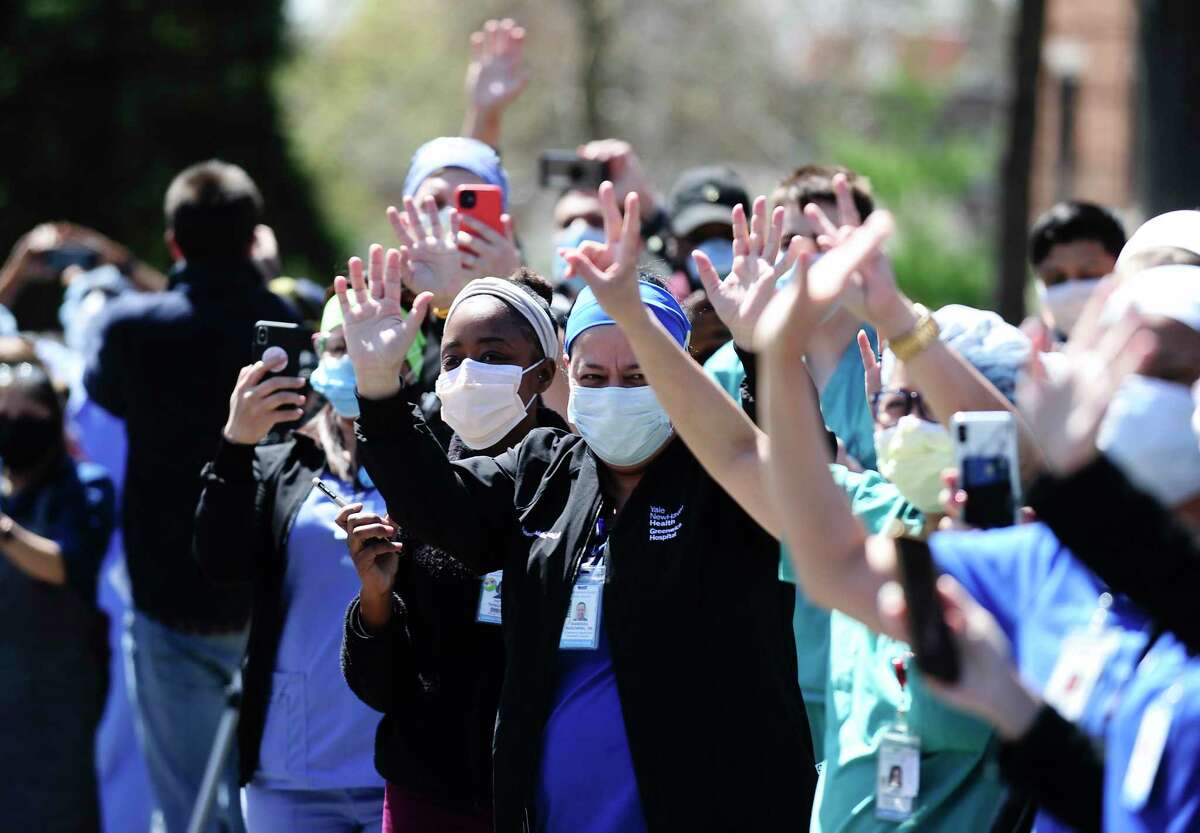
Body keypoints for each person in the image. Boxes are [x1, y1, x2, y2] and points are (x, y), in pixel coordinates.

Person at [337, 183, 816, 833]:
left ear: (678, 376)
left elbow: (799, 478)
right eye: (593, 378)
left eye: (639, 375)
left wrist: (764, 352)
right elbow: (442, 510)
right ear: (569, 376)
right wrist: (379, 391)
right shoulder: (546, 468)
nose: (613, 394)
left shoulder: (723, 477)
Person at [569, 190, 1023, 830]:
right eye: (899, 404)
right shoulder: (870, 518)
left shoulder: (1026, 558)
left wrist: (899, 321)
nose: (911, 424)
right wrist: (640, 326)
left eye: (933, 406)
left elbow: (1014, 457)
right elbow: (734, 453)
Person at [84, 159, 301, 833]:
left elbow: (102, 394)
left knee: (189, 810)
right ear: (251, 238)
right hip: (266, 597)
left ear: (174, 242)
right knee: (269, 802)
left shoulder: (130, 328)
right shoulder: (283, 321)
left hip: (166, 598)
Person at [339, 257, 567, 833]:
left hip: (543, 797)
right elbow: (383, 688)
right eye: (453, 358)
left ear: (542, 374)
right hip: (426, 798)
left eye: (493, 357)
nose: (469, 373)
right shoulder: (423, 483)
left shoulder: (576, 477)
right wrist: (375, 603)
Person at [193, 292, 408, 831]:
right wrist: (236, 445)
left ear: (407, 362)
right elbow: (218, 563)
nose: (355, 361)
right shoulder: (281, 461)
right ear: (319, 356)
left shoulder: (435, 459)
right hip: (295, 763)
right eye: (341, 347)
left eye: (370, 348)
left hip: (405, 767)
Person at [0, 360, 115, 833]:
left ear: (49, 417)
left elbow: (67, 566)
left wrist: (5, 532)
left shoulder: (87, 487)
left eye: (20, 413)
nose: (9, 424)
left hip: (59, 701)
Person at [704, 165, 880, 471]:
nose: (804, 254)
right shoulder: (726, 372)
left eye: (824, 239)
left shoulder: (894, 359)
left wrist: (836, 467)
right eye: (789, 242)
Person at [1027, 200, 1125, 338]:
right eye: (1057, 279)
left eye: (1089, 275)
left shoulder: (1150, 349)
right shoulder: (1024, 354)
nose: (1072, 288)